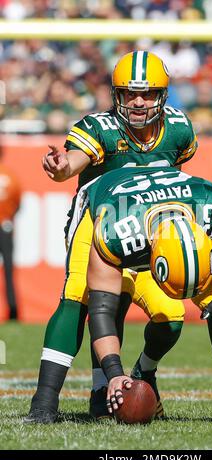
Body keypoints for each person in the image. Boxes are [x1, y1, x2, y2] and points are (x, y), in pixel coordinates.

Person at [25, 50, 198, 424]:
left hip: (147, 232)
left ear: (163, 96)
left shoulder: (180, 130)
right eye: (129, 93)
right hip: (97, 224)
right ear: (115, 94)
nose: (138, 101)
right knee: (78, 298)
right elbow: (72, 163)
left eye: (148, 93)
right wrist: (60, 168)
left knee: (169, 314)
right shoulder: (101, 127)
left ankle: (123, 382)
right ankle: (44, 403)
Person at [85, 166, 212, 422]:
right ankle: (89, 392)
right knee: (80, 295)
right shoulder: (114, 232)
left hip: (177, 208)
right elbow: (101, 310)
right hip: (103, 198)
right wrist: (115, 372)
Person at [0, 153, 21, 320]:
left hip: (4, 225)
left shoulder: (9, 175)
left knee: (8, 270)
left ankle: (13, 309)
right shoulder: (9, 175)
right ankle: (13, 310)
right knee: (8, 271)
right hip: (5, 226)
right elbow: (17, 202)